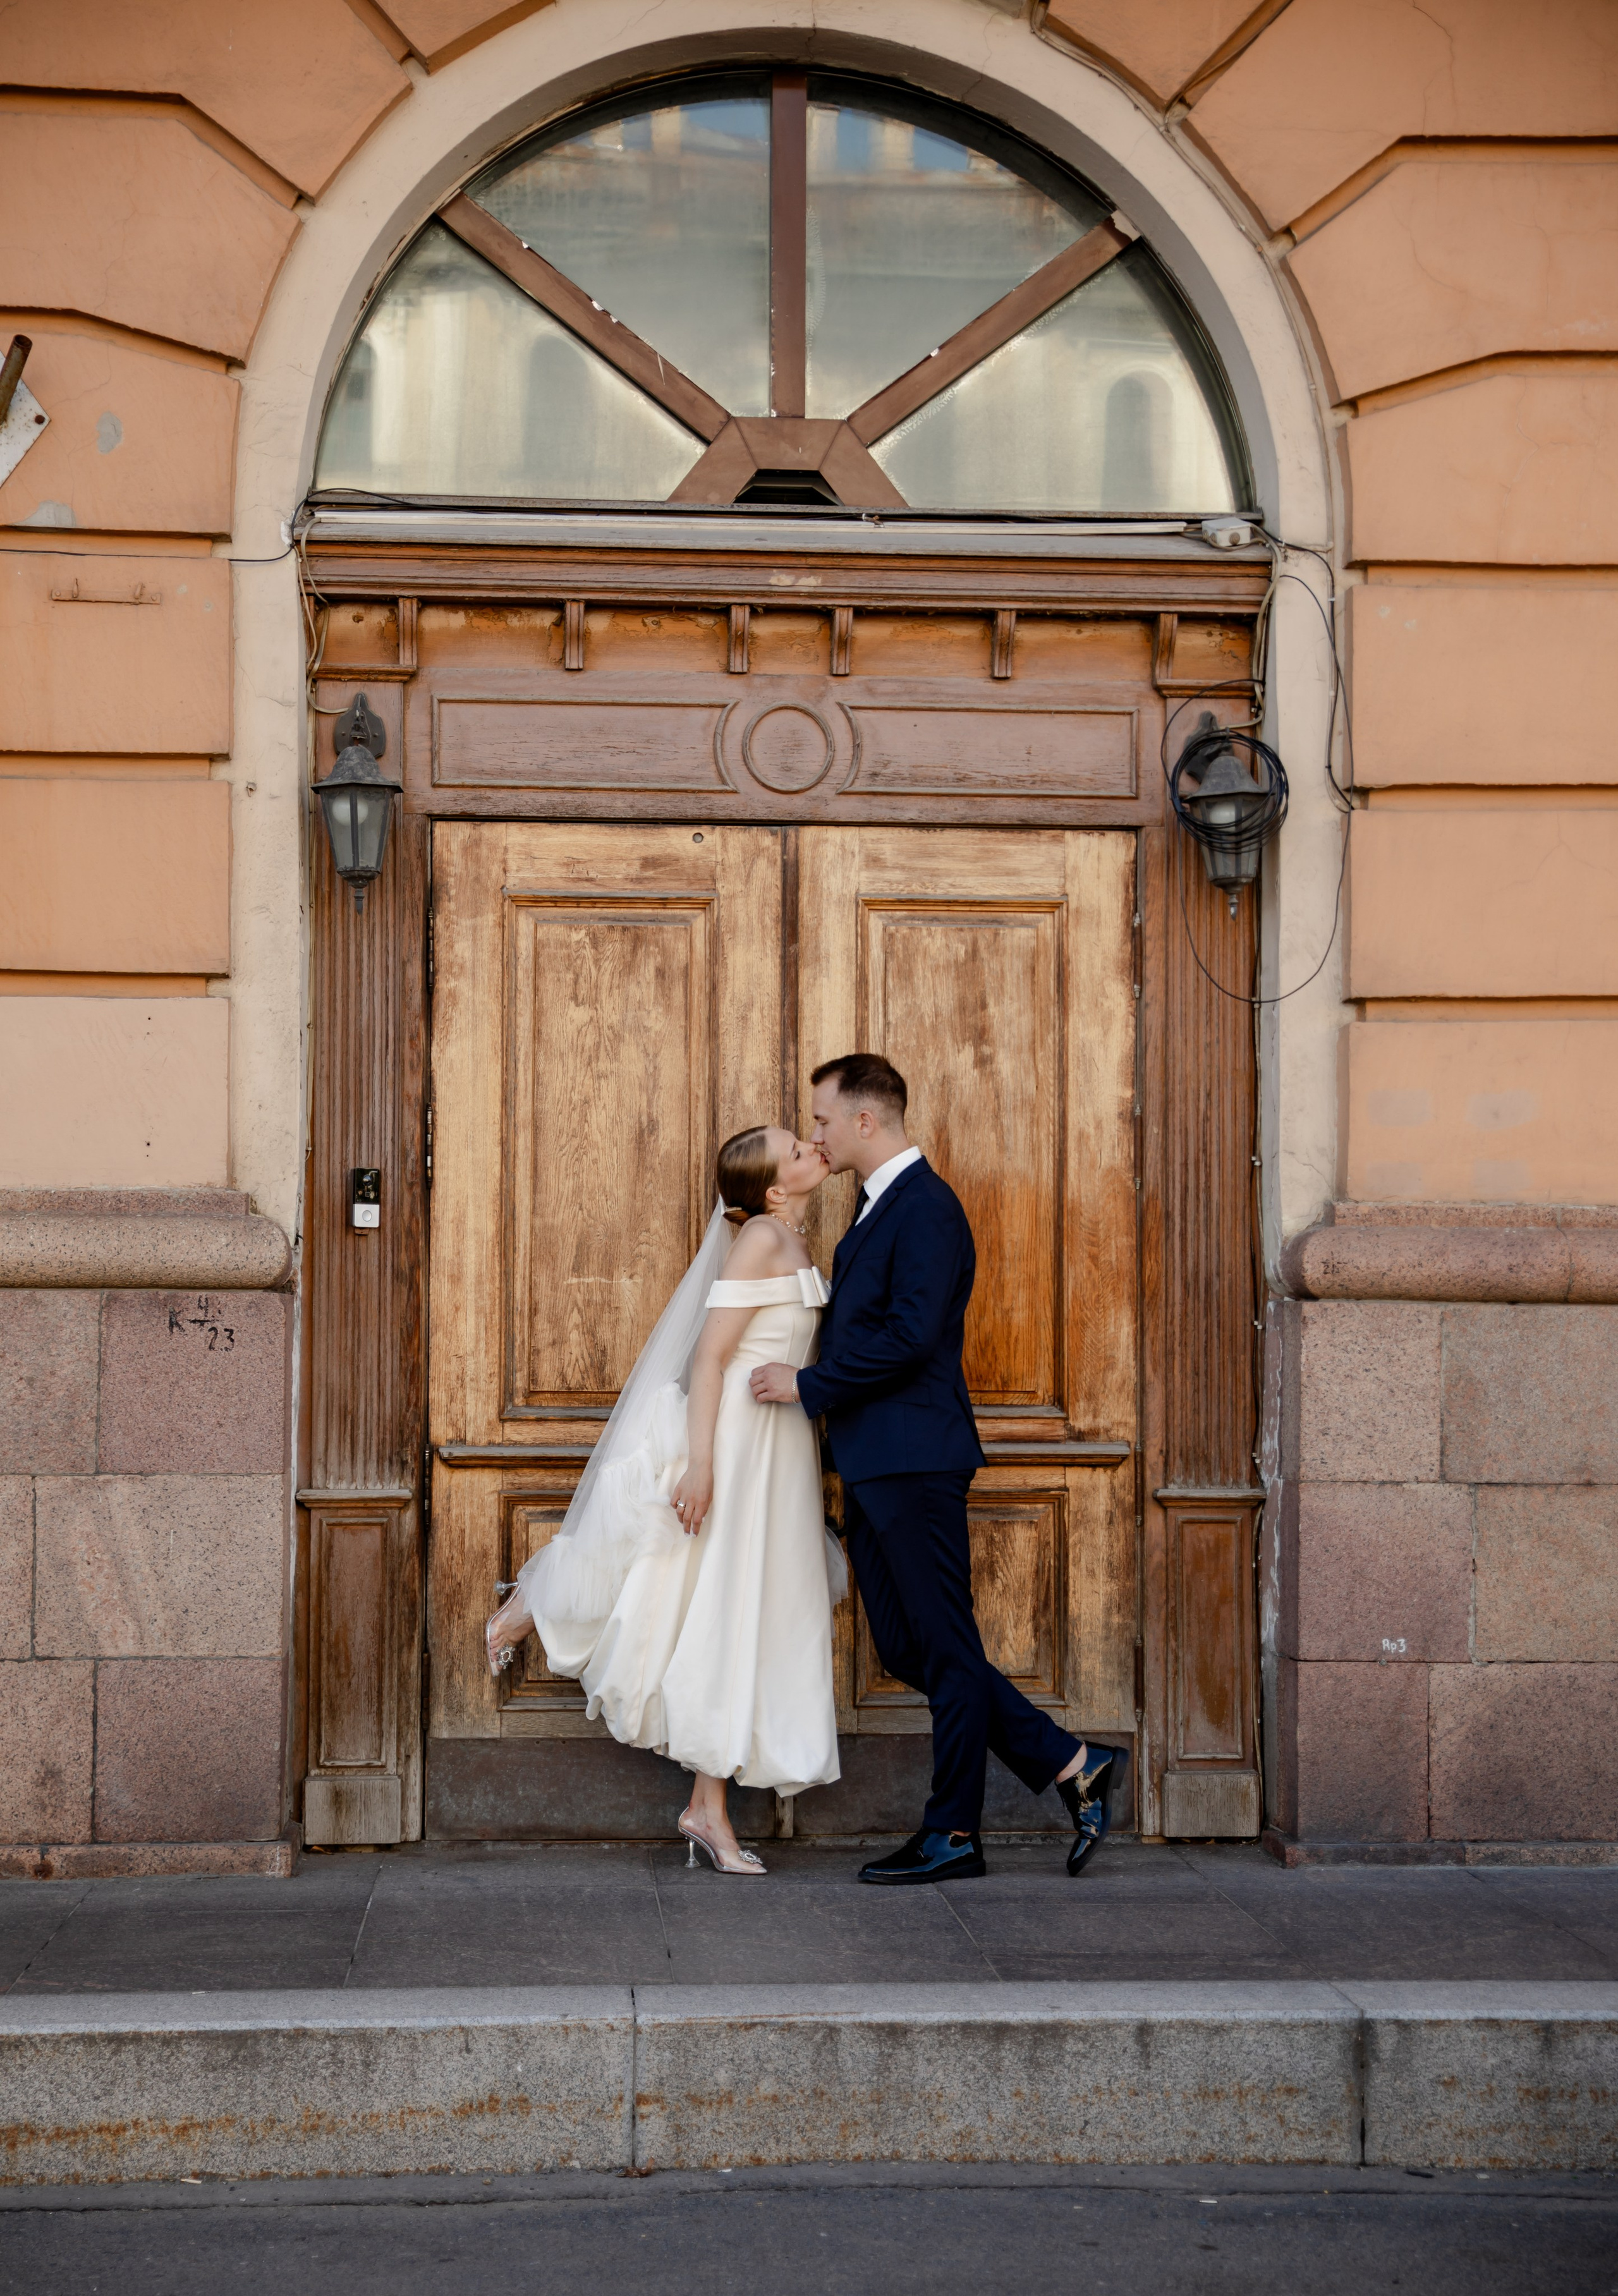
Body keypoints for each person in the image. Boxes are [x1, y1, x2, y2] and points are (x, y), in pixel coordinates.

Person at [750, 1053, 1128, 1883]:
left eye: (822, 1119)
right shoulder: (876, 1203)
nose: (816, 1133)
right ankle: (1073, 1763)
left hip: (914, 1459)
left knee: (949, 1649)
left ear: (864, 1120)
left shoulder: (925, 1206)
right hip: (875, 1463)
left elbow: (911, 1337)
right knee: (905, 1647)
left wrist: (808, 1385)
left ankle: (953, 1831)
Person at [484, 1125, 842, 1875]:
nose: (813, 1147)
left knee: (740, 1615)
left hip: (781, 1448)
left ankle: (705, 1809)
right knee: (696, 1598)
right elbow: (710, 1357)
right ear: (773, 1189)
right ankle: (530, 1605)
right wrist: (703, 1465)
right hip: (739, 1444)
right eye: (796, 1150)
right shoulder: (762, 1240)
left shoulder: (794, 1239)